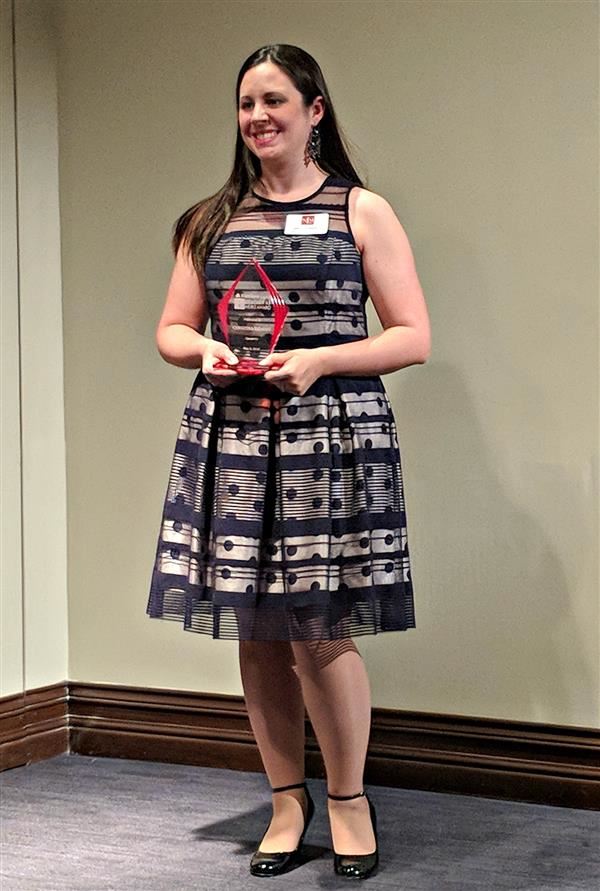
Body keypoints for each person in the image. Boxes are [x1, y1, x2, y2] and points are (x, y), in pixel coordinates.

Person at [146, 44, 431, 880]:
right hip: (233, 436)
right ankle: (284, 799)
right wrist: (201, 349)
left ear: (314, 111)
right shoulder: (210, 220)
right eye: (246, 104)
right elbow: (169, 329)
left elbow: (412, 335)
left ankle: (348, 800)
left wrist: (320, 360)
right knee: (259, 631)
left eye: (275, 100)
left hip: (331, 439)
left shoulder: (360, 210)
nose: (258, 117)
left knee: (322, 627)